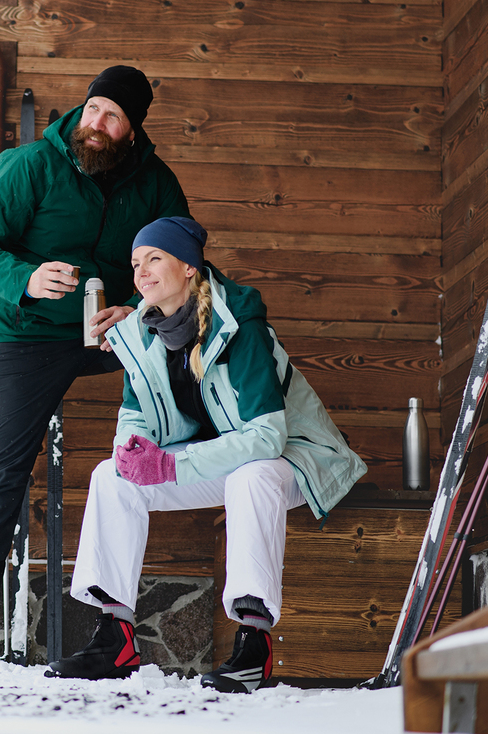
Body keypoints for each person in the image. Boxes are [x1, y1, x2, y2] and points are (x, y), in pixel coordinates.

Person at [44, 217, 368, 693]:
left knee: (251, 477)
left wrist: (172, 464)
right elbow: (135, 414)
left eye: (154, 258)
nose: (141, 273)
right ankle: (115, 635)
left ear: (189, 267)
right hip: (219, 457)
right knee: (111, 476)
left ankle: (254, 644)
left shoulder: (241, 328)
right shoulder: (142, 334)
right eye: (136, 263)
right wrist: (133, 451)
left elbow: (266, 439)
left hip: (295, 458)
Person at [0, 66, 192, 671]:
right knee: (2, 469)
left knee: (154, 443)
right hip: (32, 333)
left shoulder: (155, 182)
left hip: (121, 333)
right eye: (93, 110)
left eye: (113, 117)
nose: (97, 125)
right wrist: (25, 280)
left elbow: (186, 262)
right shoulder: (31, 165)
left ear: (132, 130)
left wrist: (138, 311)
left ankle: (115, 631)